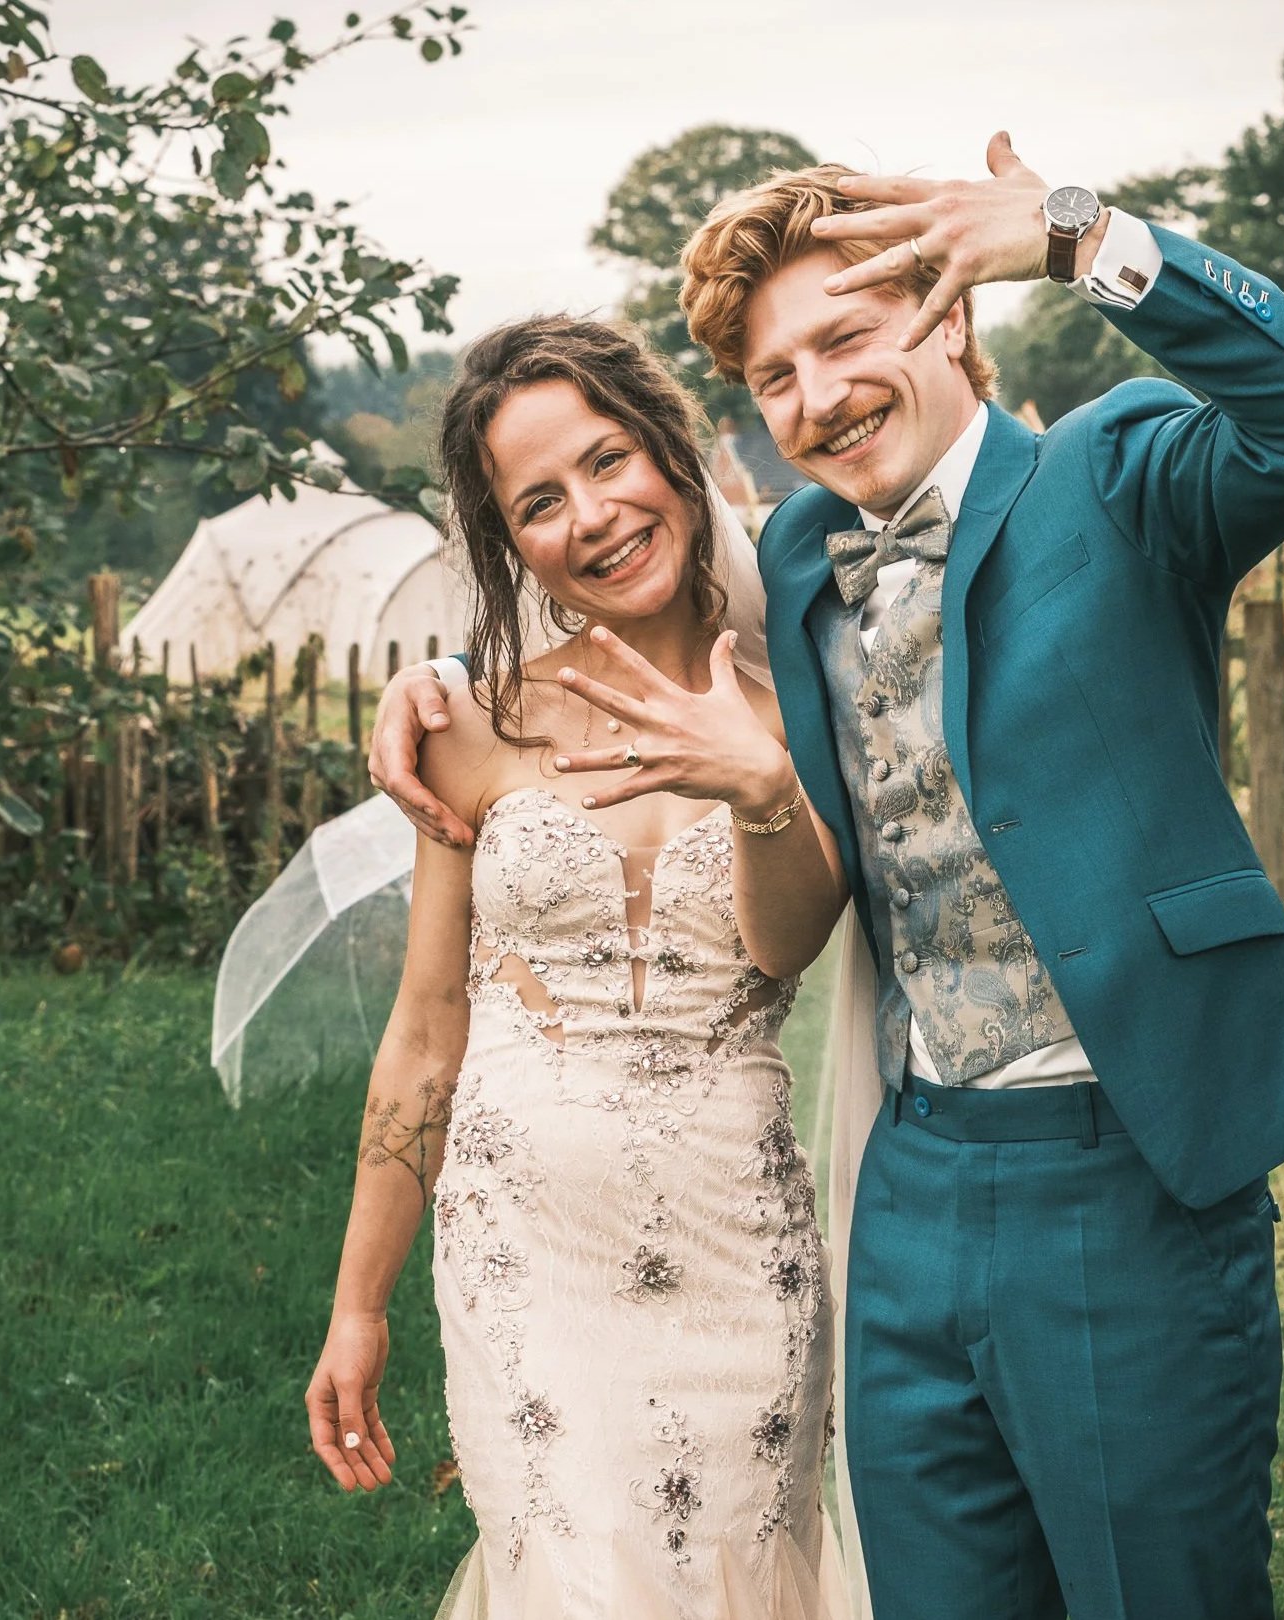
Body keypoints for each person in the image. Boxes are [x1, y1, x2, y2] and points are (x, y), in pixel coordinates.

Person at [370, 132, 1284, 1619]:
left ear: (953, 317)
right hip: (901, 1188)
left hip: (1124, 1156)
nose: (818, 398)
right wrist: (444, 675)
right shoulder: (791, 552)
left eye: (848, 338)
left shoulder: (1115, 476)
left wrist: (1076, 233)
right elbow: (626, 580)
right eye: (774, 379)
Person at [305, 316, 853, 1618]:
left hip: (741, 1244)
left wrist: (763, 787)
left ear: (671, 453)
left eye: (609, 462)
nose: (593, 516)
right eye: (539, 501)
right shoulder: (471, 726)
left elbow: (790, 942)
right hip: (521, 1259)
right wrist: (357, 1308)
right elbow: (427, 1032)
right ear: (506, 543)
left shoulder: (807, 713)